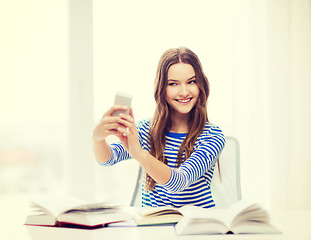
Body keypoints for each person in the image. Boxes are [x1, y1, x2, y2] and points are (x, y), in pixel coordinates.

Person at [92, 47, 225, 208]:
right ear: (161, 88)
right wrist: (98, 138)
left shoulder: (212, 136)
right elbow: (108, 159)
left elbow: (179, 182)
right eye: (173, 84)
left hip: (195, 228)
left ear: (201, 84)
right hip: (152, 227)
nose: (184, 92)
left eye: (191, 82)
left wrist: (140, 154)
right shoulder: (147, 130)